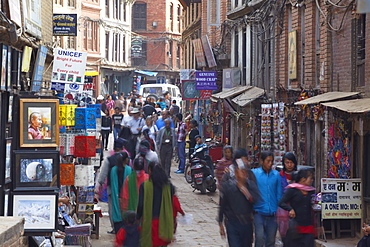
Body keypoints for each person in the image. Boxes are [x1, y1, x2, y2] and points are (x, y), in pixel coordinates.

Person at [218, 164, 260, 247]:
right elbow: (222, 205)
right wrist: (220, 223)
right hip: (232, 222)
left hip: (247, 222)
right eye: (242, 171)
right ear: (236, 173)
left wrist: (245, 191)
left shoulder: (251, 185)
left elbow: (256, 200)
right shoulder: (228, 186)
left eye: (245, 172)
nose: (244, 174)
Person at [137, 163, 174, 247]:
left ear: (150, 171)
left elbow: (141, 205)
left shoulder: (144, 186)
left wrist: (138, 217)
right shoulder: (169, 187)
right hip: (164, 222)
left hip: (150, 222)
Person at [278, 169, 315, 247]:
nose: (312, 180)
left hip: (308, 225)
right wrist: (290, 209)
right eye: (310, 178)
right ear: (303, 179)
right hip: (296, 226)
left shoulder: (311, 191)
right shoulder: (292, 190)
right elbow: (281, 202)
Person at [97, 138, 127, 234]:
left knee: (112, 207)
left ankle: (115, 228)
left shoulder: (109, 160)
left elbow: (103, 175)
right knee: (124, 207)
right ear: (122, 147)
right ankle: (124, 226)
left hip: (112, 189)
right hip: (125, 189)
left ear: (114, 148)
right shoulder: (126, 159)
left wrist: (100, 184)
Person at [252, 151, 282, 247]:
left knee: (271, 240)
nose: (270, 164)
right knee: (259, 238)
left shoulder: (276, 175)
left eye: (272, 161)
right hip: (258, 212)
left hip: (273, 213)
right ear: (262, 161)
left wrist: (279, 211)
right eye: (268, 161)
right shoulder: (254, 174)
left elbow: (279, 194)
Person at [108, 151, 132, 234]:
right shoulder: (129, 170)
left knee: (117, 215)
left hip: (116, 197)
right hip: (126, 199)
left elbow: (111, 184)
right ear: (126, 160)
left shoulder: (113, 170)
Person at [277, 152, 298, 244]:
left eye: (291, 162)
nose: (289, 165)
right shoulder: (279, 176)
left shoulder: (299, 176)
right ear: (284, 163)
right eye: (287, 162)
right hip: (283, 206)